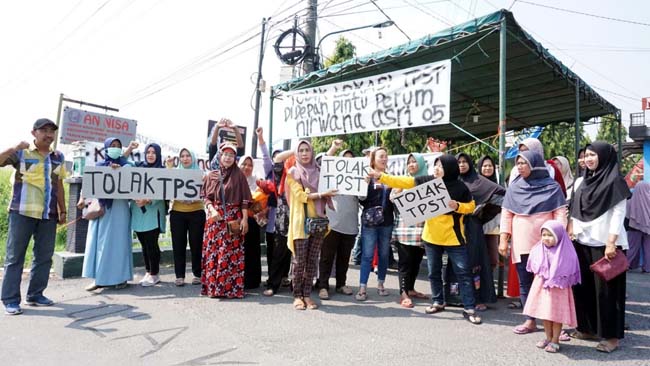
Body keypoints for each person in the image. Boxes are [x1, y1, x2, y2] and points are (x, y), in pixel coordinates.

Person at [370, 154, 482, 325]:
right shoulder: (428, 181)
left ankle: (469, 308)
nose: (436, 169)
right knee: (433, 272)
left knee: (463, 274)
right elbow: (404, 182)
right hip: (431, 237)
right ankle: (438, 301)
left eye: (441, 166)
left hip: (454, 238)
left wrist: (457, 206)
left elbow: (471, 207)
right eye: (435, 165)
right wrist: (381, 176)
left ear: (449, 169)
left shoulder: (461, 188)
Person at [568, 141, 631, 353]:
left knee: (608, 293)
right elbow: (574, 209)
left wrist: (611, 242)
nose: (588, 159)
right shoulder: (579, 182)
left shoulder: (615, 182)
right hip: (581, 241)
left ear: (604, 156)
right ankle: (587, 328)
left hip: (606, 245)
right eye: (586, 155)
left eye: (593, 155)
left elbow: (618, 214)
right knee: (583, 288)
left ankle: (611, 337)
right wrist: (571, 231)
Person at [0, 119, 67, 315]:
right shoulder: (22, 153)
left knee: (44, 256)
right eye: (44, 130)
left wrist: (62, 210)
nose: (48, 134)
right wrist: (14, 147)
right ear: (34, 133)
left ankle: (36, 294)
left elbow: (59, 185)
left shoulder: (58, 156)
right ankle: (11, 300)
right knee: (15, 257)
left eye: (52, 131)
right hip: (22, 212)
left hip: (48, 213)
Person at [499, 150, 567, 334]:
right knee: (525, 282)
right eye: (518, 163)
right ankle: (530, 320)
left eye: (524, 163)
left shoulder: (552, 187)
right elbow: (506, 214)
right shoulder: (514, 187)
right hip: (521, 243)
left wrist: (558, 238)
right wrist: (503, 239)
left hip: (546, 243)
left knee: (549, 282)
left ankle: (554, 325)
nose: (519, 167)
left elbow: (560, 213)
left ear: (535, 164)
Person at [285, 140, 337, 310]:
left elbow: (330, 165)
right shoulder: (293, 172)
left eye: (307, 150)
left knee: (313, 260)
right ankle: (297, 295)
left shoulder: (320, 171)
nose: (305, 153)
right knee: (300, 261)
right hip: (301, 223)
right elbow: (300, 196)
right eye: (301, 150)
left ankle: (307, 295)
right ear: (296, 154)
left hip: (319, 223)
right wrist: (322, 194)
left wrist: (334, 148)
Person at [81, 138, 136, 291]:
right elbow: (90, 184)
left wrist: (121, 171)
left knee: (119, 243)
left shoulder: (127, 166)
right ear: (106, 148)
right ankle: (99, 279)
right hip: (103, 209)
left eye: (118, 146)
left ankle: (121, 278)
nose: (116, 148)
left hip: (120, 208)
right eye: (112, 146)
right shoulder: (99, 166)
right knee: (100, 244)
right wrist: (82, 198)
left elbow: (134, 184)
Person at [201, 142, 251, 298]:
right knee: (214, 253)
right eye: (225, 154)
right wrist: (212, 209)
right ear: (220, 156)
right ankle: (214, 288)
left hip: (233, 219)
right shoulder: (211, 175)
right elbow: (206, 197)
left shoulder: (239, 175)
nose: (228, 158)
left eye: (231, 155)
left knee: (230, 253)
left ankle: (231, 289)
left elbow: (244, 200)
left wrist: (244, 220)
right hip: (215, 220)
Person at [523, 220, 581, 354]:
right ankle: (548, 338)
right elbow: (534, 266)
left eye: (550, 235)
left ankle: (555, 340)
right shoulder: (538, 249)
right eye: (544, 235)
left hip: (558, 288)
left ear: (559, 236)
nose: (546, 238)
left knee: (556, 315)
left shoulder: (567, 252)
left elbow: (569, 269)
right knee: (545, 313)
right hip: (542, 287)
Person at [457, 153, 504, 311]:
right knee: (457, 263)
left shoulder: (479, 181)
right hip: (455, 229)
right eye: (459, 162)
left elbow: (501, 195)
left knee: (475, 262)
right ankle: (456, 297)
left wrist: (482, 214)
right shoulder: (451, 181)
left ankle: (478, 297)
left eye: (465, 162)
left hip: (473, 228)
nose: (462, 165)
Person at [317, 147, 359, 300]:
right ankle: (323, 285)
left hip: (350, 224)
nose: (348, 162)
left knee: (344, 257)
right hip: (332, 222)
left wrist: (364, 182)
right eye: (345, 159)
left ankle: (341, 284)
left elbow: (362, 198)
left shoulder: (358, 179)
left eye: (351, 159)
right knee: (326, 256)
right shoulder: (331, 176)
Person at [390, 153, 429, 308]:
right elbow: (392, 199)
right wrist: (398, 190)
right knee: (405, 262)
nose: (412, 164)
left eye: (414, 162)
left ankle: (411, 289)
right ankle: (403, 292)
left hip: (422, 229)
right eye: (409, 162)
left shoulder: (427, 181)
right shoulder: (402, 181)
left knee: (416, 261)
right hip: (405, 229)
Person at [356, 147, 395, 302]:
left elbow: (395, 199)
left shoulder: (391, 178)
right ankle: (362, 287)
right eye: (381, 156)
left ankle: (381, 284)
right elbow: (361, 199)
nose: (384, 159)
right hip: (370, 222)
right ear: (373, 159)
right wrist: (363, 185)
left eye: (386, 156)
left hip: (387, 222)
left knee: (384, 254)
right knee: (367, 254)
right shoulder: (367, 177)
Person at [239, 127, 272, 290]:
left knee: (252, 251)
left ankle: (252, 281)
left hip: (252, 222)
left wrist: (259, 208)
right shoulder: (234, 180)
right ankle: (238, 279)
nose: (247, 167)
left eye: (250, 165)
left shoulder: (257, 181)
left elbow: (265, 199)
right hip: (237, 221)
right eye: (244, 164)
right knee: (238, 251)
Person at [130, 143, 167, 287]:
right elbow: (124, 169)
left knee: (152, 244)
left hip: (153, 212)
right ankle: (148, 271)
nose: (150, 155)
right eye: (148, 152)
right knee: (144, 244)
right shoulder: (138, 167)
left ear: (158, 154)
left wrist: (148, 199)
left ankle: (154, 273)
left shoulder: (162, 171)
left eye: (154, 152)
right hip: (138, 212)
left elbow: (164, 190)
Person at [167, 148, 205, 286]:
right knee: (178, 244)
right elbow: (166, 185)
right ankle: (179, 276)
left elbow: (206, 191)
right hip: (177, 212)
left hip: (197, 212)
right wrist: (169, 167)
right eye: (182, 156)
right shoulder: (175, 172)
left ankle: (197, 274)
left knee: (197, 244)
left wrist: (196, 198)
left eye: (188, 155)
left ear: (193, 157)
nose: (185, 158)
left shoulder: (201, 174)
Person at [263, 152, 295, 296]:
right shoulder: (281, 177)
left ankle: (299, 287)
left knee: (299, 255)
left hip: (301, 220)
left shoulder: (306, 174)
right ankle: (273, 285)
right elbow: (277, 159)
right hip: (283, 221)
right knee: (278, 254)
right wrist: (296, 149)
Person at [626, 181, 650, 272]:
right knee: (648, 249)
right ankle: (647, 268)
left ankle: (627, 265)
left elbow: (627, 216)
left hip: (634, 228)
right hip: (648, 229)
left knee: (632, 248)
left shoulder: (630, 202)